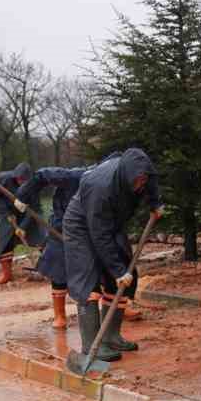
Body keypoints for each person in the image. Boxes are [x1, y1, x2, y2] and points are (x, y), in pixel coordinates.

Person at [64, 148, 163, 363]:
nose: (140, 185)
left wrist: (155, 203)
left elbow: (151, 183)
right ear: (127, 175)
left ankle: (110, 336)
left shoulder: (139, 173)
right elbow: (99, 235)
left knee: (123, 278)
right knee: (87, 281)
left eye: (143, 180)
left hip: (111, 222)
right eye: (137, 181)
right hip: (81, 225)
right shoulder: (100, 186)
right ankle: (92, 345)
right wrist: (117, 271)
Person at [14, 165, 90, 329]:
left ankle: (117, 309)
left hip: (87, 228)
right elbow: (41, 174)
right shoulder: (73, 176)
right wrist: (23, 196)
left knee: (101, 267)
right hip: (60, 227)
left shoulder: (108, 186)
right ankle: (60, 316)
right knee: (58, 269)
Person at [0, 162, 33, 286]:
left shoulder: (33, 186)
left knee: (41, 237)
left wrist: (23, 227)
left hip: (26, 212)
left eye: (24, 180)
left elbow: (33, 209)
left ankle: (48, 269)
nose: (21, 182)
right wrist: (6, 212)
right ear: (15, 176)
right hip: (7, 213)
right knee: (5, 242)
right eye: (19, 179)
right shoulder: (2, 179)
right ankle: (7, 274)